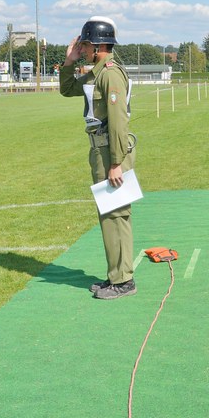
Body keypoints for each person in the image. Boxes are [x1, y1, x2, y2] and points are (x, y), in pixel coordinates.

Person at [59, 16, 137, 300]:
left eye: (85, 45)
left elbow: (118, 122)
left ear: (97, 45)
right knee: (110, 215)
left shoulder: (110, 74)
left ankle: (123, 280)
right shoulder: (97, 73)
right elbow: (68, 89)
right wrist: (69, 62)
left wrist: (115, 163)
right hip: (102, 151)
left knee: (116, 215)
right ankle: (116, 275)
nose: (82, 49)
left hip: (111, 151)